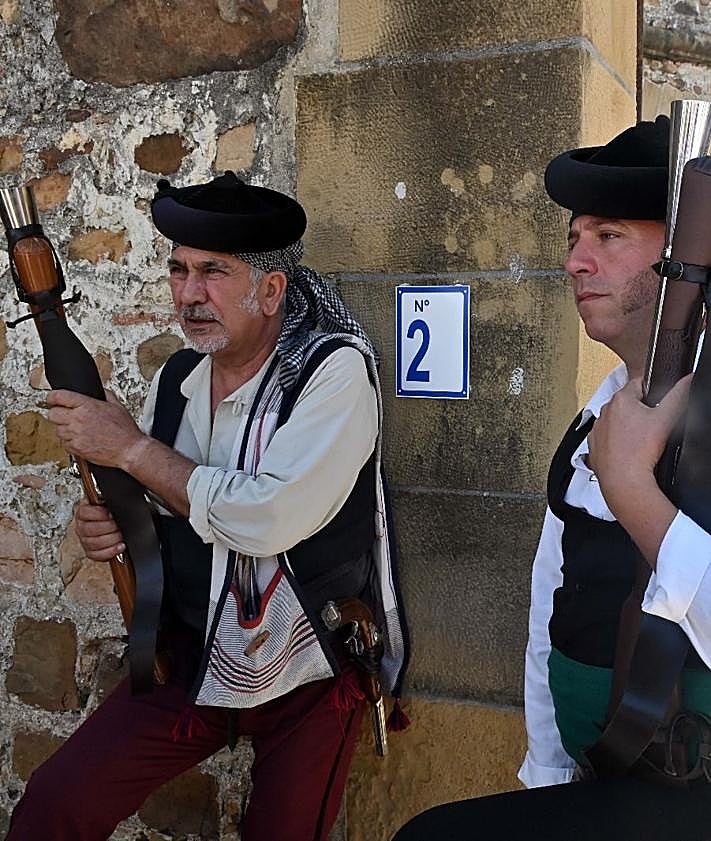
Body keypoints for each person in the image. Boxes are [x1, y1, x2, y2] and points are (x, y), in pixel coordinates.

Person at [8, 172, 407, 841]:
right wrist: (116, 527)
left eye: (213, 272)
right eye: (179, 271)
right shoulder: (177, 378)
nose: (189, 294)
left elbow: (265, 517)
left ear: (271, 289)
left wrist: (131, 449)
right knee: (55, 806)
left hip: (307, 667)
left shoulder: (332, 373)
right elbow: (166, 502)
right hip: (191, 656)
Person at [392, 116, 711, 840]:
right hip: (596, 777)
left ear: (687, 254)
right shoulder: (595, 413)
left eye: (607, 236)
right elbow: (550, 609)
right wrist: (544, 770)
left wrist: (632, 486)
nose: (574, 260)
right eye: (573, 238)